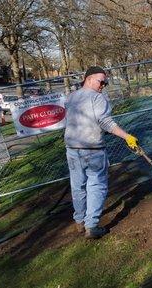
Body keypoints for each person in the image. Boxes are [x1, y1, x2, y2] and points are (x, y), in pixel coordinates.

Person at [64, 66, 138, 239]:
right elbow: (105, 122)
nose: (103, 85)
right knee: (96, 186)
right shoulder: (98, 98)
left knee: (78, 186)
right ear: (88, 79)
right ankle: (91, 226)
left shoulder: (71, 97)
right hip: (92, 150)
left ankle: (79, 221)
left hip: (73, 149)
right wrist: (126, 136)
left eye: (105, 83)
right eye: (101, 81)